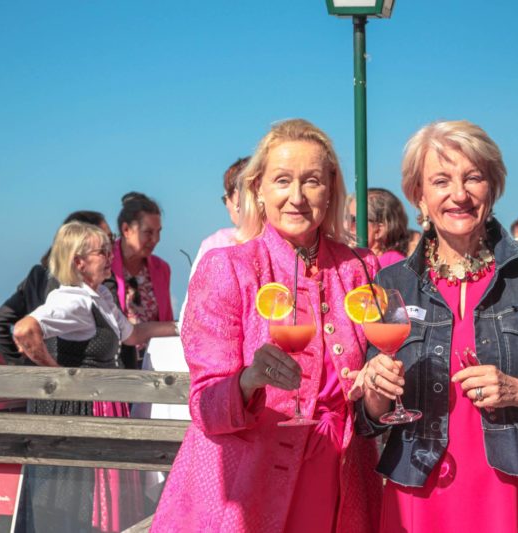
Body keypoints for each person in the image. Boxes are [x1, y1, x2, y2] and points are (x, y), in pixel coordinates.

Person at [351, 120, 518, 531]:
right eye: (441, 180)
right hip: (425, 494)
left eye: (473, 177)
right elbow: (370, 417)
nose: (459, 194)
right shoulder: (391, 284)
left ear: (492, 186)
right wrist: (374, 390)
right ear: (418, 194)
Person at [152, 119, 382, 532]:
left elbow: (377, 382)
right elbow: (205, 406)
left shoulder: (360, 269)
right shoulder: (228, 269)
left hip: (342, 477)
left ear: (331, 188)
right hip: (249, 485)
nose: (296, 197)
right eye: (282, 181)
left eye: (311, 181)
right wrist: (247, 380)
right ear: (257, 187)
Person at [13, 221, 167, 532]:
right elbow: (24, 329)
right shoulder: (71, 298)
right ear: (78, 262)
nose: (111, 257)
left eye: (110, 249)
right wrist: (58, 374)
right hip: (77, 412)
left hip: (102, 406)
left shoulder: (100, 297)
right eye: (102, 252)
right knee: (76, 504)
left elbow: (134, 334)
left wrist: (183, 326)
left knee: (97, 500)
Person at [0, 210, 114, 365]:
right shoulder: (95, 285)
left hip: (43, 379)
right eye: (104, 243)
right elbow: (21, 328)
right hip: (79, 380)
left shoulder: (37, 276)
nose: (112, 246)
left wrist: (20, 366)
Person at [178, 156, 249, 326]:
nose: (226, 205)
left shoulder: (215, 245)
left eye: (226, 198)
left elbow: (190, 315)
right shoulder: (288, 238)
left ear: (237, 197)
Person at [112, 193, 177, 369]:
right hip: (116, 364)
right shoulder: (105, 264)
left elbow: (166, 319)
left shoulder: (161, 268)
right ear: (126, 230)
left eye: (158, 232)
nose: (156, 240)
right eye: (148, 232)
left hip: (153, 364)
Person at [346, 188, 419, 264]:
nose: (348, 226)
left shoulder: (391, 264)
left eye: (354, 220)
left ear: (379, 230)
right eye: (347, 218)